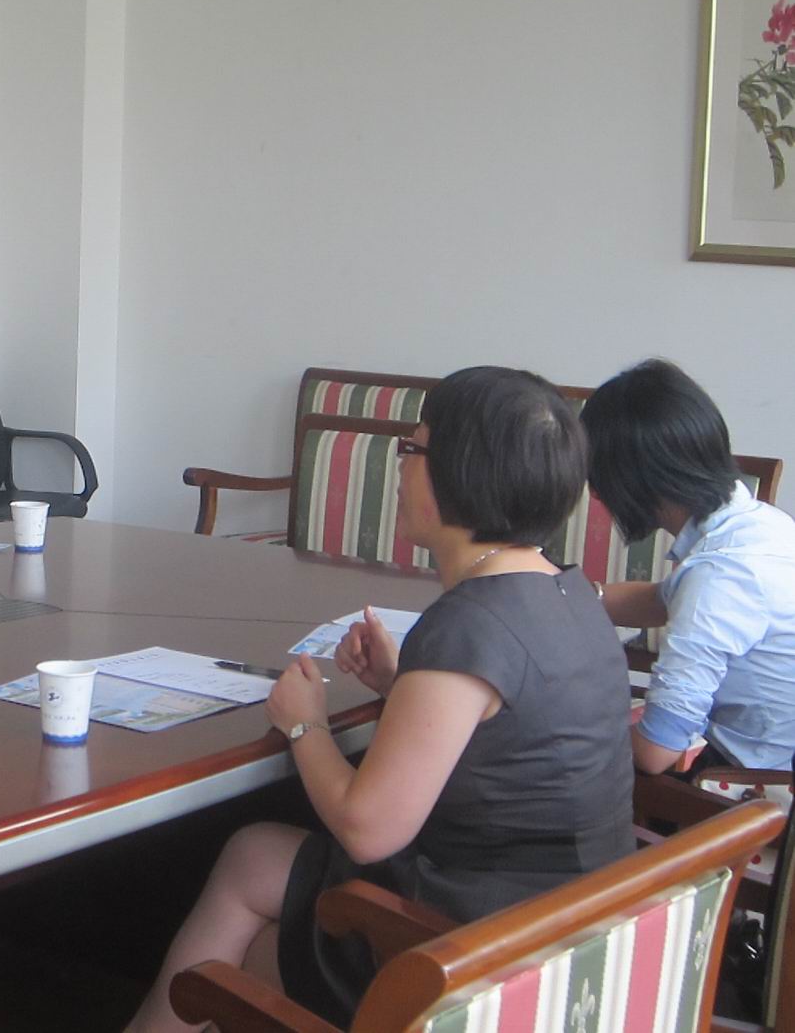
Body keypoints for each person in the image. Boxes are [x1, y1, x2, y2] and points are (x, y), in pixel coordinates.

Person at [129, 367, 634, 1031]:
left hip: (479, 957)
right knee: (252, 854)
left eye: (411, 448)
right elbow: (511, 732)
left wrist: (304, 724)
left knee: (242, 949)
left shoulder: (468, 625)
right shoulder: (569, 593)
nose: (400, 467)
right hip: (569, 928)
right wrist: (403, 686)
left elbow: (368, 831)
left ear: (459, 471)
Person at [583, 358, 795, 773]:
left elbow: (656, 751)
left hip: (753, 786)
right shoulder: (764, 526)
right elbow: (661, 600)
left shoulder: (718, 576)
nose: (596, 494)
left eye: (598, 478)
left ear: (633, 479)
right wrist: (569, 594)